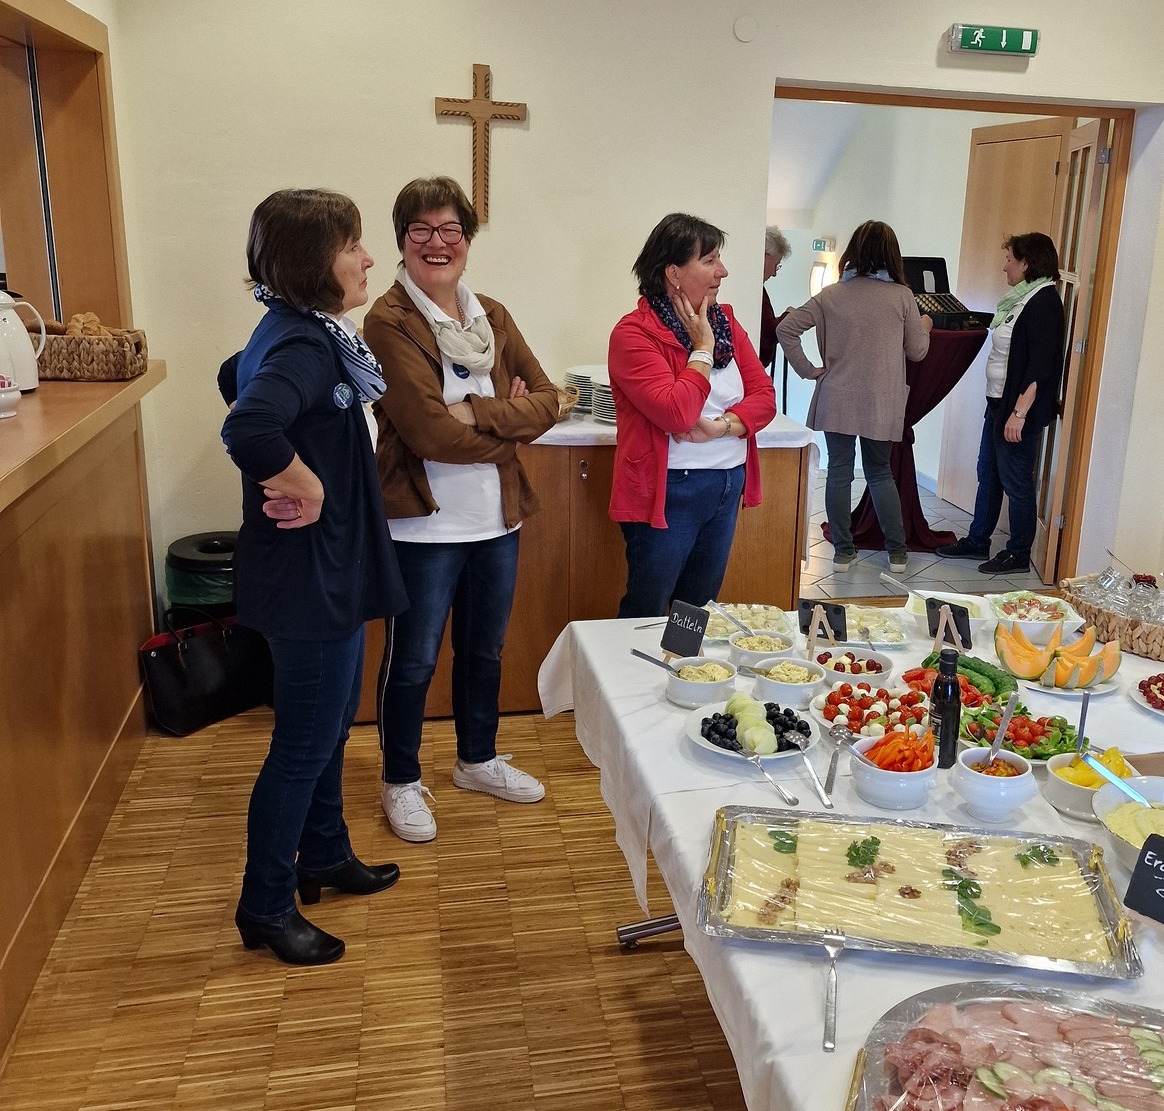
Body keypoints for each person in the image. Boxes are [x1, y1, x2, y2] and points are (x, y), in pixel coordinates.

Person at [220, 189, 407, 967]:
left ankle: (325, 853)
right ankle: (265, 905)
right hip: (309, 579)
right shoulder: (303, 342)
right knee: (301, 746)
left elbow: (232, 375)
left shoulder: (300, 329)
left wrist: (297, 469)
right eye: (352, 245)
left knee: (328, 730)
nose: (368, 258)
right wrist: (308, 483)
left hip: (327, 568)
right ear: (310, 262)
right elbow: (248, 422)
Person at [362, 176, 561, 840]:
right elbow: (427, 434)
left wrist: (474, 411)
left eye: (451, 229)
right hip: (422, 525)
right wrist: (507, 421)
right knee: (413, 661)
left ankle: (476, 759)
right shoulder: (387, 321)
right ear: (402, 241)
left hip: (495, 518)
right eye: (421, 230)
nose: (437, 243)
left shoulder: (492, 316)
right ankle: (400, 779)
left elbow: (551, 402)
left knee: (485, 650)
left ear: (468, 240)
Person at [608, 212, 778, 616]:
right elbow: (677, 412)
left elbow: (765, 397)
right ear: (674, 273)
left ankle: (684, 660)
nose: (723, 271)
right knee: (646, 612)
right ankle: (635, 662)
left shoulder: (726, 322)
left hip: (726, 483)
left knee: (696, 611)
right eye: (710, 260)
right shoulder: (634, 334)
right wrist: (702, 348)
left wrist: (721, 427)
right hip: (670, 489)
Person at [776, 220, 931, 574]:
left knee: (839, 471)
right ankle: (897, 554)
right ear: (892, 254)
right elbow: (918, 351)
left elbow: (786, 329)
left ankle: (843, 553)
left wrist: (807, 369)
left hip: (836, 396)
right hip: (880, 399)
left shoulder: (831, 294)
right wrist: (925, 325)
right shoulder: (901, 297)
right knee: (880, 472)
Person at [948, 231, 1066, 575]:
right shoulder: (1021, 299)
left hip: (1017, 410)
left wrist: (1019, 413)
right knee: (988, 472)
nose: (1005, 267)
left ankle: (1018, 552)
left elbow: (1041, 367)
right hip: (998, 404)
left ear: (1026, 263)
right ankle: (978, 540)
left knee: (1016, 481)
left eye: (1009, 260)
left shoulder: (1044, 302)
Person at [759, 226, 791, 368]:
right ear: (765, 256)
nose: (774, 273)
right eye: (776, 265)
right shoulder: (756, 292)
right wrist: (788, 316)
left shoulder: (758, 290)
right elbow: (767, 335)